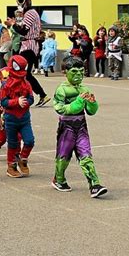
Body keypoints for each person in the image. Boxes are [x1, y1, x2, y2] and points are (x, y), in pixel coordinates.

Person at [51, 56, 108, 197]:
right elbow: (60, 108)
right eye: (74, 72)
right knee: (64, 156)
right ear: (66, 72)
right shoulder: (61, 90)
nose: (78, 75)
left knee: (86, 154)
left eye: (81, 72)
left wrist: (92, 103)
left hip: (81, 126)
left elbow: (91, 111)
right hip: (67, 127)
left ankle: (94, 184)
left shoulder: (84, 88)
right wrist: (78, 102)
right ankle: (59, 179)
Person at [9, 0, 51, 107]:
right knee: (24, 73)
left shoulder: (30, 13)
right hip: (27, 45)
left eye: (19, 2)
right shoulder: (29, 13)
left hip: (29, 46)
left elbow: (23, 30)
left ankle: (39, 94)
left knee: (23, 72)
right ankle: (33, 95)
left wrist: (13, 24)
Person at [0, 55, 34, 178]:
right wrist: (16, 102)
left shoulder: (26, 83)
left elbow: (31, 98)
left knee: (29, 141)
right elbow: (3, 102)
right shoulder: (6, 85)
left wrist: (25, 102)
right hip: (11, 118)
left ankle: (23, 159)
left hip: (24, 118)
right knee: (13, 143)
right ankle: (11, 166)